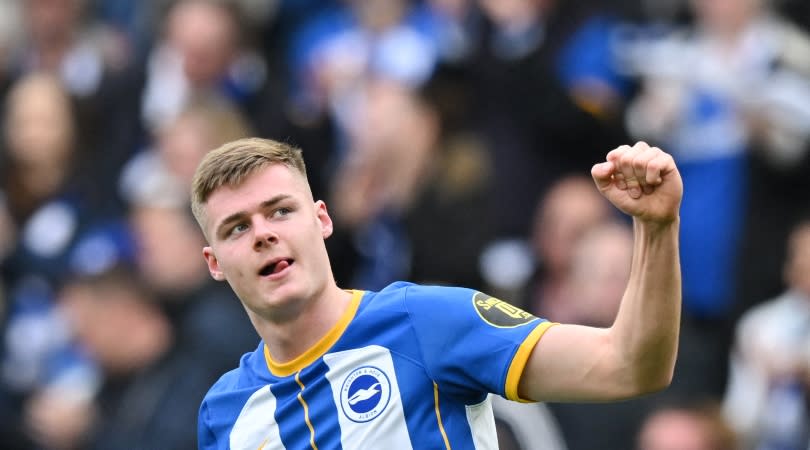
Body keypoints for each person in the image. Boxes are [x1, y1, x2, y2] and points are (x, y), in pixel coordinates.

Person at [192, 137, 682, 448]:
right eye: (236, 228)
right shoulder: (225, 414)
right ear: (214, 263)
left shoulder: (425, 321)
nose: (262, 234)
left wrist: (657, 228)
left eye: (280, 211)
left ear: (322, 219)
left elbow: (629, 365)